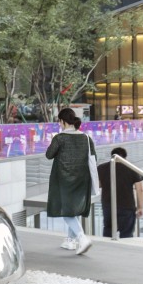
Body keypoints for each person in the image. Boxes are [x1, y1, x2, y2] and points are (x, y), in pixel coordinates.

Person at [45, 108, 94, 255]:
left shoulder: (60, 138)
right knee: (74, 208)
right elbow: (93, 157)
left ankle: (81, 238)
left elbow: (49, 155)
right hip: (82, 178)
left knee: (66, 210)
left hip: (63, 179)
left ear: (62, 121)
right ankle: (70, 240)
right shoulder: (86, 137)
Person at [97, 147, 143, 239]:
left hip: (108, 205)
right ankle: (125, 252)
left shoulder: (101, 168)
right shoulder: (132, 169)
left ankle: (107, 250)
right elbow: (140, 189)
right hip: (127, 206)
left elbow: (99, 185)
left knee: (108, 230)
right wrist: (140, 207)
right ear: (125, 157)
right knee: (126, 234)